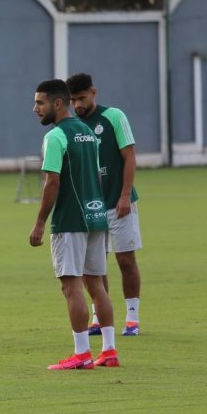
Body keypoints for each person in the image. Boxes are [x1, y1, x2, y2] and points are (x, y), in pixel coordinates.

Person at [29, 79, 119, 370]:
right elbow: (97, 176)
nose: (35, 109)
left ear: (57, 103)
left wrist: (40, 222)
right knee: (97, 285)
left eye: (40, 103)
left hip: (70, 220)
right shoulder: (88, 132)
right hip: (96, 217)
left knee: (71, 288)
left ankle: (81, 354)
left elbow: (52, 181)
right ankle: (109, 350)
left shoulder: (56, 137)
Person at [67, 73, 143, 337]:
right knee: (95, 266)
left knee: (125, 260)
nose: (78, 105)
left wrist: (124, 195)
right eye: (73, 100)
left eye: (82, 98)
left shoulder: (114, 117)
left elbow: (129, 156)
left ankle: (132, 317)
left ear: (94, 92)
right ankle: (99, 316)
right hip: (91, 208)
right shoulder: (72, 125)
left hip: (119, 202)